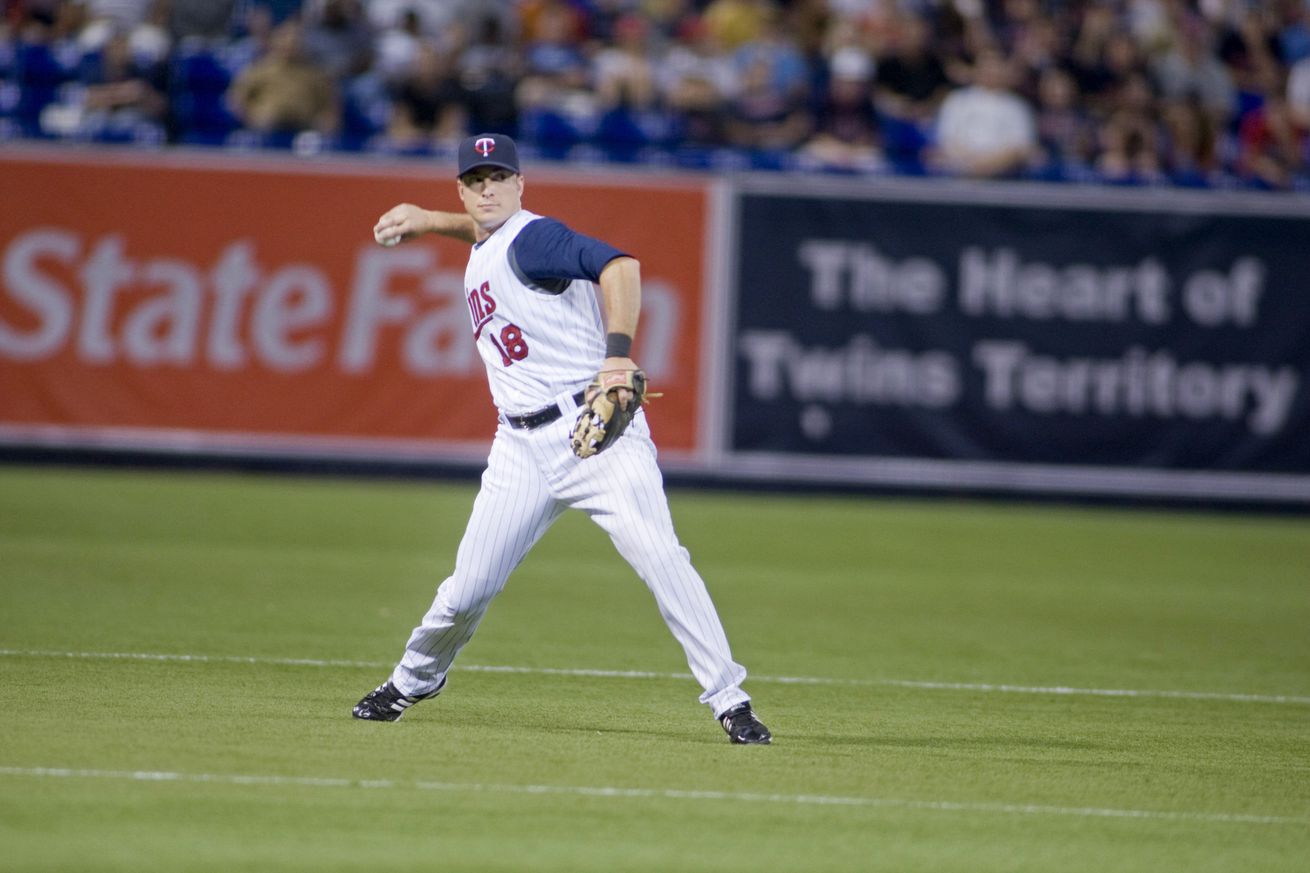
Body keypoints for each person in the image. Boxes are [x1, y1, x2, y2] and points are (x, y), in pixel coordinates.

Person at [352, 133, 772, 745]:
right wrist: (428, 221)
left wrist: (617, 356)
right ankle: (413, 680)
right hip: (519, 448)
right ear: (462, 189)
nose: (487, 187)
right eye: (475, 179)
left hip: (595, 435)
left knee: (659, 556)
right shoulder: (492, 239)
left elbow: (620, 265)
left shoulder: (534, 235)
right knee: (467, 589)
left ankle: (730, 700)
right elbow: (481, 231)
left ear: (521, 184)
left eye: (499, 177)